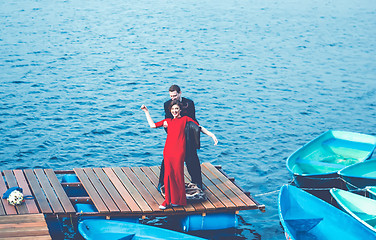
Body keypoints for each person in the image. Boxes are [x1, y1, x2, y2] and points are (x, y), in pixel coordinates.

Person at [141, 100, 217, 209]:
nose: (175, 111)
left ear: (180, 109)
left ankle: (179, 200)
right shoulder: (167, 121)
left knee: (178, 175)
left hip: (179, 151)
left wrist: (212, 135)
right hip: (168, 151)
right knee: (168, 175)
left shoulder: (185, 119)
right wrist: (146, 112)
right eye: (173, 109)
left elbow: (199, 128)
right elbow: (152, 125)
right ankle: (167, 201)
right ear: (170, 111)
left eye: (176, 109)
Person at [159, 85, 203, 190]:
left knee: (192, 159)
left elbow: (193, 119)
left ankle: (198, 182)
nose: (173, 98)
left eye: (175, 95)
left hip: (188, 135)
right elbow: (167, 119)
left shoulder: (189, 103)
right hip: (175, 135)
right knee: (167, 160)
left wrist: (198, 130)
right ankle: (162, 183)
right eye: (171, 96)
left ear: (180, 93)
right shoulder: (167, 104)